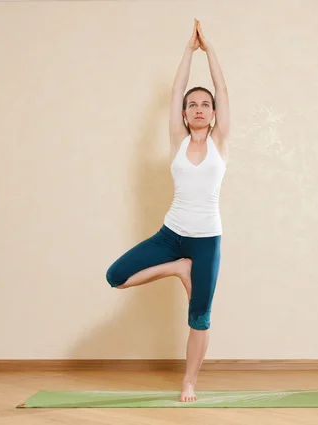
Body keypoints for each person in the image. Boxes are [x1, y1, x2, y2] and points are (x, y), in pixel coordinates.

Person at [105, 19, 229, 403]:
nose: (197, 108)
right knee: (117, 276)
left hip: (207, 241)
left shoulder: (220, 142)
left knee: (200, 317)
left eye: (204, 105)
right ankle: (178, 268)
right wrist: (187, 52)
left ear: (212, 113)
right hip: (171, 235)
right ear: (183, 112)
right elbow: (177, 89)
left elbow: (222, 90)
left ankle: (189, 382)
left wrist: (209, 51)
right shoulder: (177, 139)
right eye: (191, 104)